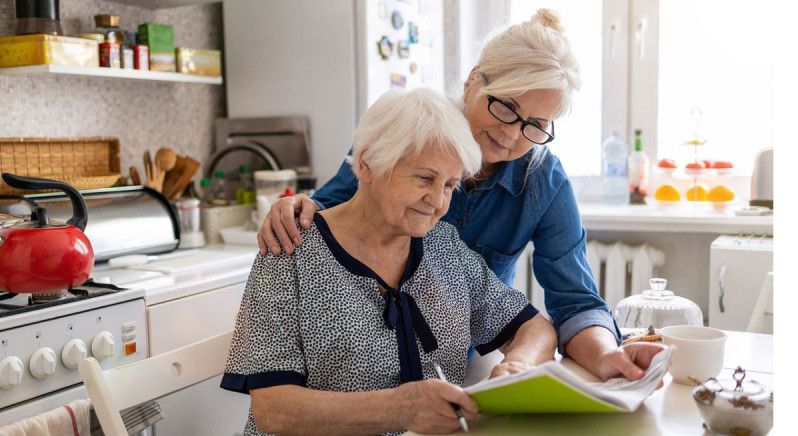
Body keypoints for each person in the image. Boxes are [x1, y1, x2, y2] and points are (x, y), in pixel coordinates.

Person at [256, 9, 666, 382]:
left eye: (535, 124)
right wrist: (295, 207)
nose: (510, 134)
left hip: (460, 363)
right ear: (474, 80)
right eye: (506, 107)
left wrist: (608, 355)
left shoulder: (544, 182)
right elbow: (328, 213)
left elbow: (574, 302)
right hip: (362, 365)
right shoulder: (406, 134)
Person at [221, 88, 559, 435]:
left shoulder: (445, 248)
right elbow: (273, 410)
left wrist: (518, 365)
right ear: (367, 162)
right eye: (424, 178)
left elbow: (535, 328)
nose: (436, 201)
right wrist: (401, 409)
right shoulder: (290, 249)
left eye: (449, 185)